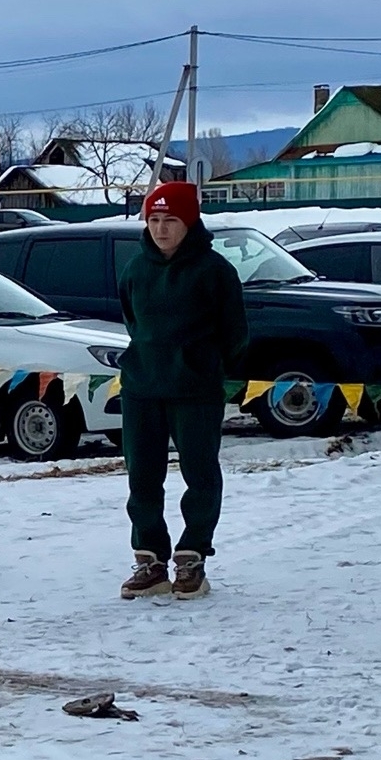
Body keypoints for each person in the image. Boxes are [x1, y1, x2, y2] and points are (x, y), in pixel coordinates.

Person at [117, 179, 246, 601]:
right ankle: (150, 560)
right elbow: (133, 323)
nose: (161, 228)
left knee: (200, 473)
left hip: (195, 390)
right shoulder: (136, 269)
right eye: (153, 219)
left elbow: (235, 333)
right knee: (143, 477)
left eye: (170, 220)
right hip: (142, 387)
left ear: (188, 222)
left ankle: (191, 556)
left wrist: (204, 367)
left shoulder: (215, 272)